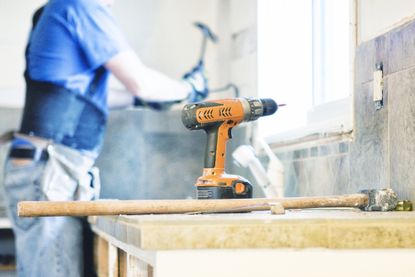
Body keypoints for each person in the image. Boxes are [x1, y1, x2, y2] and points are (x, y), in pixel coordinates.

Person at [2, 0, 207, 276]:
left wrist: (146, 99)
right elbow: (142, 83)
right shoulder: (82, 6)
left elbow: (88, 96)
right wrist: (188, 88)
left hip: (43, 166)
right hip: (51, 170)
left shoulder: (57, 9)